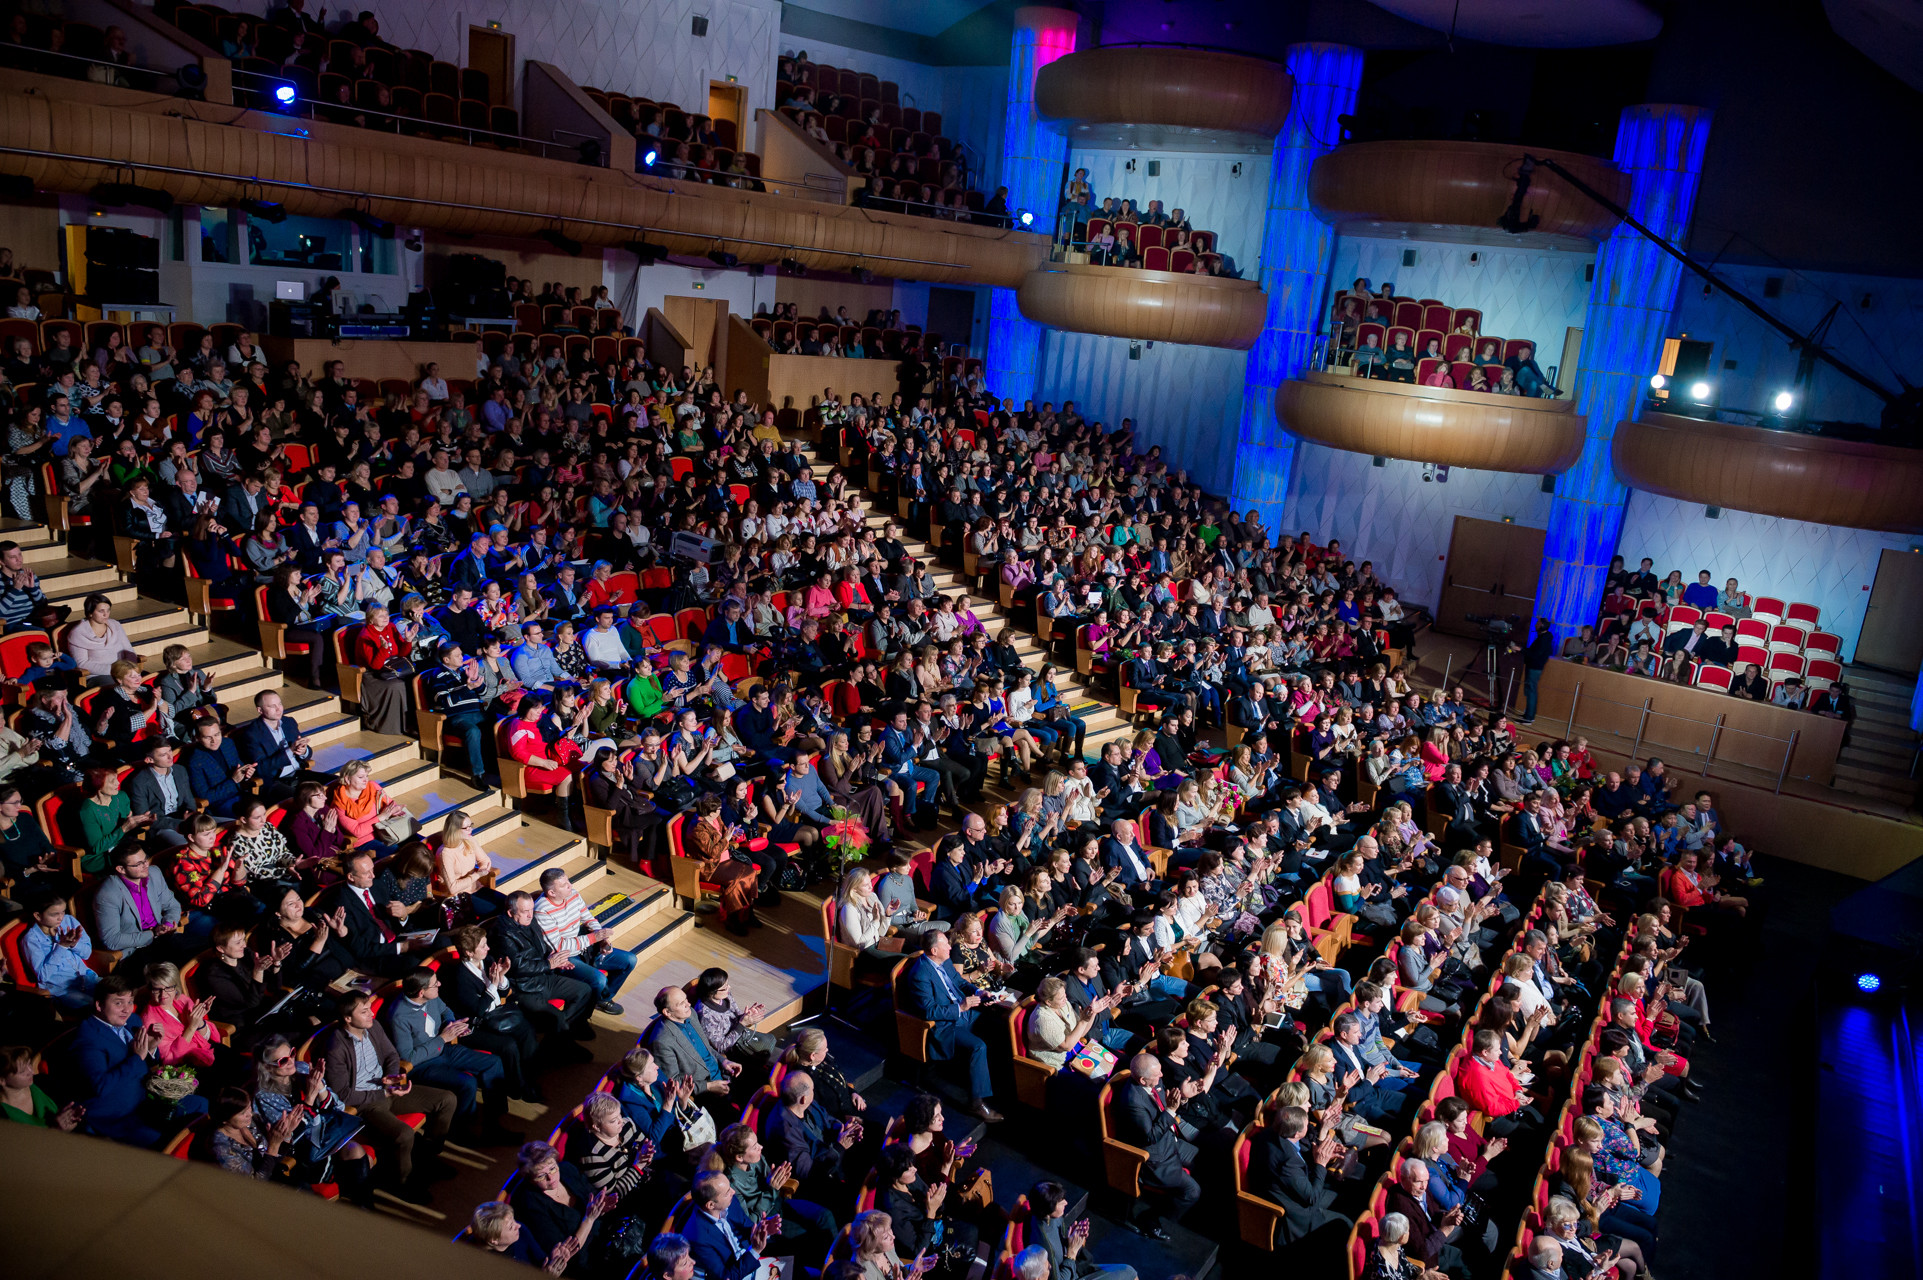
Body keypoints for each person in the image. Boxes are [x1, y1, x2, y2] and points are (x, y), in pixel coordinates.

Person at [314, 989, 458, 1202]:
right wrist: (383, 1091)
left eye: (369, 1009)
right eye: (364, 1012)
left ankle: (427, 1158)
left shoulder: (373, 1027)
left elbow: (391, 1054)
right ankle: (402, 1183)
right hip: (365, 1103)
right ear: (347, 1018)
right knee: (404, 1134)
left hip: (387, 1090)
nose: (371, 1014)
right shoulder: (336, 1047)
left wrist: (391, 1077)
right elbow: (343, 1095)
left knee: (447, 1099)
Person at [61, 974, 209, 1147]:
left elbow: (149, 1063)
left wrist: (152, 1047)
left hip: (144, 1100)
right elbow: (100, 1086)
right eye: (118, 1003)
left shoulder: (132, 1020)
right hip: (117, 1115)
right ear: (99, 1005)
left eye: (130, 1001)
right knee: (161, 1138)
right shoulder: (88, 1040)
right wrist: (137, 1056)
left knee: (200, 1105)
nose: (126, 1009)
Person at [899, 929, 1004, 1123]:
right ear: (933, 950)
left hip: (965, 1012)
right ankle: (976, 1103)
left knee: (997, 1025)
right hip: (945, 1025)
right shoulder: (920, 974)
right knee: (978, 1046)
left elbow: (959, 982)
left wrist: (979, 993)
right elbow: (929, 1011)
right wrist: (960, 1007)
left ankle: (996, 1084)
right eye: (945, 944)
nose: (950, 946)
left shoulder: (945, 961)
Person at [1108, 1053, 1200, 1239]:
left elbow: (1165, 1105)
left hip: (1170, 1141)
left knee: (1202, 1160)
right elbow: (1150, 1137)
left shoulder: (1154, 1082)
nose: (1161, 1077)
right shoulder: (1133, 1102)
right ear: (1142, 1080)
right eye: (1157, 1075)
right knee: (1192, 1191)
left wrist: (1182, 1097)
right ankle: (1151, 1217)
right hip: (1155, 1157)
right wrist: (1171, 1110)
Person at [534, 864, 635, 1014]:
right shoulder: (542, 910)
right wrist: (594, 937)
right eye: (564, 885)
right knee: (598, 980)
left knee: (629, 960)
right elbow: (560, 946)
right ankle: (586, 1009)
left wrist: (602, 939)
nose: (571, 886)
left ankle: (602, 999)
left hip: (585, 946)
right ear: (552, 892)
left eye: (568, 881)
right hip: (565, 957)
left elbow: (588, 918)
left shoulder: (573, 894)